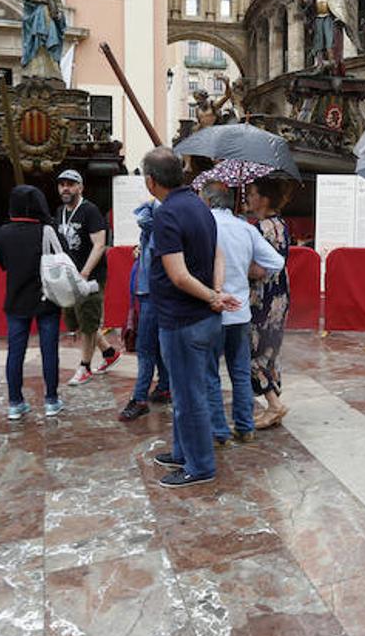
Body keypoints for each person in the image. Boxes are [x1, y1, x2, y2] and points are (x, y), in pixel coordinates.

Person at [141, 147, 239, 488]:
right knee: (188, 392)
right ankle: (183, 451)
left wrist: (213, 296)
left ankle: (199, 465)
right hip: (202, 318)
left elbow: (179, 276)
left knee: (188, 397)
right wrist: (215, 292)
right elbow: (218, 254)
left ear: (151, 182)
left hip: (183, 320)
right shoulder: (199, 205)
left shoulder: (167, 214)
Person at [201, 181, 284, 444]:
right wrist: (246, 268)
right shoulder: (245, 228)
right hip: (240, 311)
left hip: (213, 307)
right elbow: (276, 262)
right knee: (239, 370)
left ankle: (218, 430)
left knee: (210, 372)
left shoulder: (205, 226)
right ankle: (245, 425)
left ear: (209, 201)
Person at [0, 185, 65, 420]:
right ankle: (51, 400)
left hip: (16, 299)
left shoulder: (3, 232)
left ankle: (15, 402)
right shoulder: (47, 230)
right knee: (49, 350)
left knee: (15, 352)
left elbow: (2, 264)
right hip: (47, 298)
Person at [55, 170, 120, 386]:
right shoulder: (60, 212)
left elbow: (99, 245)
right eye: (62, 184)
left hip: (90, 277)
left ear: (80, 187)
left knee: (89, 321)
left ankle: (84, 366)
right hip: (69, 277)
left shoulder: (90, 211)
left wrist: (84, 273)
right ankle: (109, 352)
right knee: (81, 321)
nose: (66, 188)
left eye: (71, 184)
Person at [246, 179, 294, 428]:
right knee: (270, 349)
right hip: (280, 295)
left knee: (254, 351)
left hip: (261, 297)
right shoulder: (281, 225)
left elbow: (259, 270)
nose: (249, 198)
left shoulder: (260, 229)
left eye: (252, 194)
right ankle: (273, 399)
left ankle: (274, 405)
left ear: (264, 199)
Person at [120, 198, 172, 421]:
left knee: (145, 348)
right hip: (158, 291)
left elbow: (144, 218)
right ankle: (164, 386)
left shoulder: (156, 225)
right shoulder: (165, 229)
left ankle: (140, 398)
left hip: (152, 292)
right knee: (159, 344)